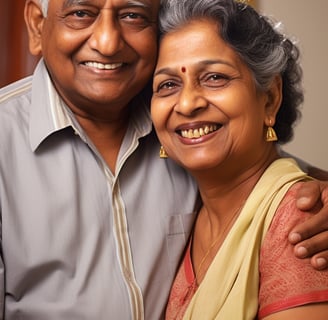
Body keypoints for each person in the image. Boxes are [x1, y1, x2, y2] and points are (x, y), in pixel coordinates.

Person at [0, 0, 327, 319]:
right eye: (81, 13)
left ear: (270, 98)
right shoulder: (6, 141)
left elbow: (259, 173)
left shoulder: (299, 222)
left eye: (132, 15)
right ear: (37, 25)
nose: (108, 43)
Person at [151, 0, 328, 319]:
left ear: (270, 98)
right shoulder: (181, 211)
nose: (188, 103)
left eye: (215, 78)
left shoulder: (302, 221)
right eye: (168, 85)